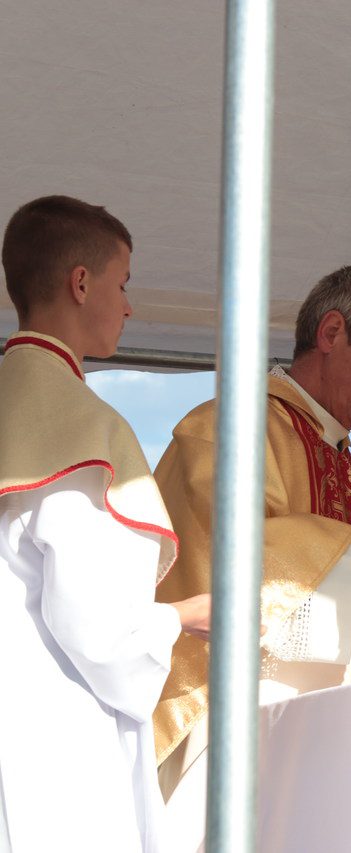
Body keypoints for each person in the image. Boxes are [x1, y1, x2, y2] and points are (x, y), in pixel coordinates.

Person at [151, 265, 351, 805]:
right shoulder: (230, 426)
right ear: (332, 332)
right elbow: (222, 557)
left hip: (347, 743)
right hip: (242, 730)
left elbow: (336, 620)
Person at [0, 195, 210, 852]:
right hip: (53, 742)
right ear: (80, 282)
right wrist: (184, 614)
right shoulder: (82, 428)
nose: (128, 306)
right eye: (122, 284)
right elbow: (97, 631)